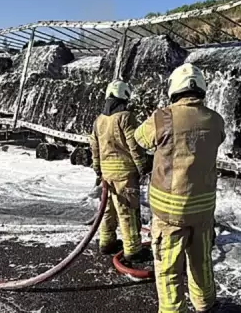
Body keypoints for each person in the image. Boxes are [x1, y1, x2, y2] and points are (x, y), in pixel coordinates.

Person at [134, 63, 225, 313]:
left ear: (174, 89)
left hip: (169, 214)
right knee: (201, 262)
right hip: (203, 210)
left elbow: (139, 139)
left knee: (168, 270)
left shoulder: (162, 117)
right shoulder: (216, 120)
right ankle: (205, 304)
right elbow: (219, 138)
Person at [89, 80, 151, 263]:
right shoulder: (126, 117)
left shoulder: (99, 120)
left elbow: (94, 146)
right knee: (127, 211)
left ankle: (107, 242)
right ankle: (133, 250)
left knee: (108, 211)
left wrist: (97, 168)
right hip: (125, 174)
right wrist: (142, 165)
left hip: (107, 175)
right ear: (124, 96)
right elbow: (134, 144)